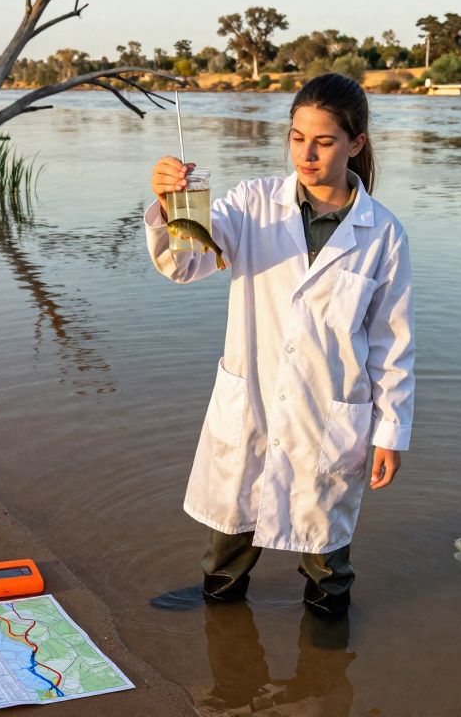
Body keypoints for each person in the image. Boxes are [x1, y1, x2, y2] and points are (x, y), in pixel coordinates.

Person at [144, 73, 415, 619]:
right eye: (296, 137)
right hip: (254, 401)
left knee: (326, 549)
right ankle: (219, 613)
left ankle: (327, 640)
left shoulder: (383, 233)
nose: (306, 154)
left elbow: (392, 343)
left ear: (356, 143)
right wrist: (168, 202)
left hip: (329, 415)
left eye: (324, 141)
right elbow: (186, 262)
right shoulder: (252, 205)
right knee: (230, 532)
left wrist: (391, 433)